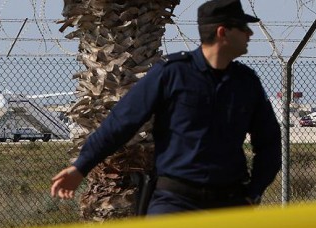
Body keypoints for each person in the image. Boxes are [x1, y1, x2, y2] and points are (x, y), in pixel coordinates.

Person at [50, 0, 281, 216]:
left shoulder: (246, 83)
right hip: (176, 201)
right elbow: (121, 122)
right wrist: (81, 167)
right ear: (223, 32)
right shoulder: (172, 74)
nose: (249, 34)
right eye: (243, 28)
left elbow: (269, 142)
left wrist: (254, 192)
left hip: (229, 203)